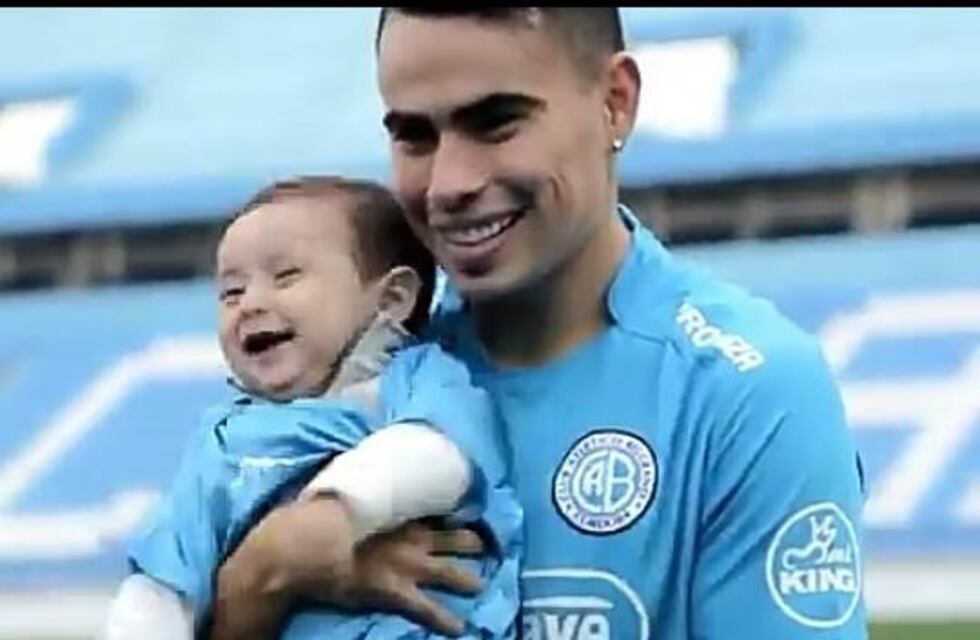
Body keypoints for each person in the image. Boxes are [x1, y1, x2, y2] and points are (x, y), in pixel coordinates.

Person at [209, 8, 868, 639]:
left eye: (496, 123)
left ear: (615, 101)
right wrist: (261, 576)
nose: (447, 184)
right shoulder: (356, 376)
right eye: (415, 136)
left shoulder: (742, 389)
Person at [101, 176, 522, 640]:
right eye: (231, 292)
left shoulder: (417, 378)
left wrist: (334, 511)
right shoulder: (223, 442)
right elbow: (162, 581)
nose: (251, 304)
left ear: (392, 298)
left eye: (286, 277)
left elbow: (437, 451)